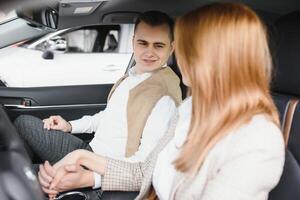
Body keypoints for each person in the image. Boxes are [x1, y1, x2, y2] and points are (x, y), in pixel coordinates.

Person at [40, 3, 285, 200]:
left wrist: (84, 163)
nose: (179, 59)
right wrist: (85, 171)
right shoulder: (190, 111)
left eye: (187, 49)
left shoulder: (255, 140)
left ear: (217, 58)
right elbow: (144, 171)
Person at [14, 10, 182, 192]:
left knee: (20, 176)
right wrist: (69, 126)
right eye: (143, 43)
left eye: (158, 45)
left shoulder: (164, 98)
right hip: (90, 151)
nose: (149, 52)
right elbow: (108, 116)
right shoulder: (133, 75)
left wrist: (89, 178)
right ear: (133, 41)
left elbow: (144, 165)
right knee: (24, 123)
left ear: (171, 48)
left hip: (107, 171)